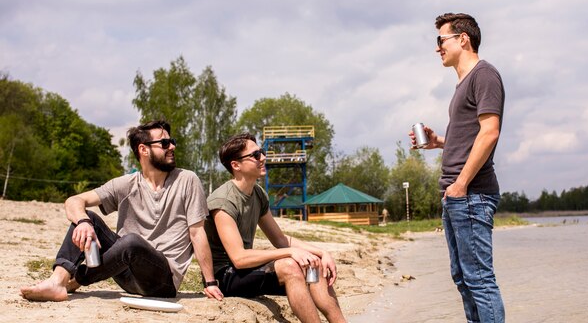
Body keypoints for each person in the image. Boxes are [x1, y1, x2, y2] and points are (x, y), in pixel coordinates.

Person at [20, 120, 223, 302]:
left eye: (172, 142)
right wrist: (83, 222)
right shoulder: (126, 184)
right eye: (164, 143)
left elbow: (197, 233)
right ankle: (57, 281)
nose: (172, 147)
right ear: (143, 150)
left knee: (132, 242)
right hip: (125, 274)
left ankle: (78, 279)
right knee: (89, 218)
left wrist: (210, 282)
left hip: (162, 281)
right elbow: (75, 200)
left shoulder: (187, 180)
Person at [411, 13, 505, 322]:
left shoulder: (485, 75)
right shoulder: (464, 83)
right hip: (456, 196)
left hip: (472, 194)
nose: (437, 47)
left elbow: (490, 131)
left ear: (462, 39)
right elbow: (469, 134)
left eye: (441, 40)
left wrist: (462, 183)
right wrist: (438, 141)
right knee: (464, 279)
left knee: (479, 279)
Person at [204, 133, 347, 323]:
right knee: (290, 267)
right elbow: (238, 259)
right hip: (226, 276)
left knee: (314, 265)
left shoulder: (258, 194)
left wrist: (322, 253)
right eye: (255, 155)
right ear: (236, 165)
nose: (263, 158)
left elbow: (280, 239)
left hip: (248, 271)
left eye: (261, 152)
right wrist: (290, 253)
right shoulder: (223, 201)